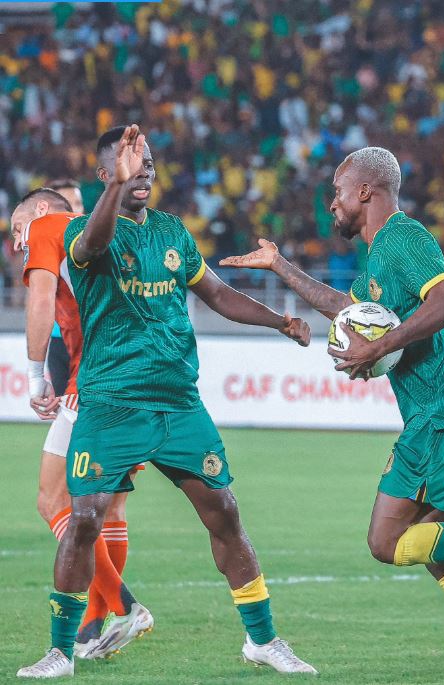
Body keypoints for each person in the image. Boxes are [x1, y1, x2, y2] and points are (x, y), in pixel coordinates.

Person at [221, 146, 444, 685]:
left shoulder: (405, 238)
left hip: (442, 413)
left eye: (338, 192)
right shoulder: (379, 257)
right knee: (443, 553)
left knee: (386, 542)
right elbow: (346, 310)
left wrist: (380, 346)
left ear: (365, 191)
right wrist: (280, 267)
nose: (332, 204)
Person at [17, 125, 317, 679]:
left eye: (149, 164)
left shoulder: (173, 232)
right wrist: (117, 187)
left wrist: (280, 321)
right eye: (132, 165)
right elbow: (92, 245)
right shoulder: (84, 231)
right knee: (83, 520)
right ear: (106, 174)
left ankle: (263, 640)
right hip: (111, 403)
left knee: (225, 513)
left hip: (178, 402)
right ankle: (61, 651)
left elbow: (217, 294)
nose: (145, 173)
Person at [11, 188, 152, 662]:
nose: (18, 243)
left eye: (17, 229)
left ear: (40, 212)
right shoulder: (112, 234)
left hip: (93, 382)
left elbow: (40, 302)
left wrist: (36, 377)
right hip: (139, 379)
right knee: (109, 511)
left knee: (52, 500)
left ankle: (125, 608)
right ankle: (93, 628)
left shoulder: (49, 229)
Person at [45, 180, 85, 394]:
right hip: (58, 342)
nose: (73, 211)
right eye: (66, 205)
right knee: (64, 408)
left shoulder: (98, 245)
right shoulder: (43, 251)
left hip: (93, 341)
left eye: (77, 203)